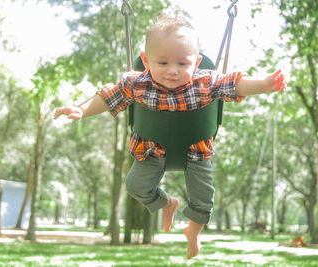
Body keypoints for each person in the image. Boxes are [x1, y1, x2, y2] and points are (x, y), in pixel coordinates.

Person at [54, 14, 285, 259]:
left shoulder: (206, 82)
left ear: (196, 63)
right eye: (162, 63)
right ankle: (166, 203)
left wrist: (265, 83)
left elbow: (237, 84)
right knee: (134, 185)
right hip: (151, 151)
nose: (172, 71)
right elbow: (108, 97)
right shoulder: (137, 83)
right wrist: (82, 109)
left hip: (197, 153)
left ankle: (193, 233)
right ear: (146, 61)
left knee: (204, 199)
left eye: (182, 64)